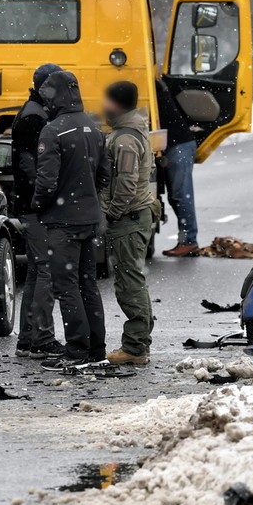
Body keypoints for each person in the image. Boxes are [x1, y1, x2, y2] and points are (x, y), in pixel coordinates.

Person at [31, 70, 110, 370]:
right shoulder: (93, 127)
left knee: (66, 286)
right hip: (90, 219)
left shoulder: (53, 131)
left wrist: (38, 205)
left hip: (63, 222)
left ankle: (76, 351)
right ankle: (96, 348)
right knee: (88, 284)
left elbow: (47, 181)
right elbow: (104, 175)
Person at [10, 63, 66, 359]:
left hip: (30, 205)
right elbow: (29, 164)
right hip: (37, 208)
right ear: (46, 88)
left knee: (36, 271)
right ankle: (41, 339)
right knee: (46, 271)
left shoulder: (32, 112)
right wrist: (44, 197)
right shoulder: (36, 117)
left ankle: (28, 340)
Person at [99, 82, 155, 366]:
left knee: (129, 283)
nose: (102, 106)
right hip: (133, 216)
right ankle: (139, 340)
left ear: (116, 104)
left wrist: (111, 212)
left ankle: (134, 347)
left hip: (129, 218)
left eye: (106, 101)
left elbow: (126, 183)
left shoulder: (125, 139)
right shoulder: (127, 132)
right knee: (131, 280)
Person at [156, 78, 200, 256]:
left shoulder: (153, 86)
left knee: (181, 195)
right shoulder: (157, 83)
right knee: (177, 197)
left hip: (178, 145)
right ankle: (187, 240)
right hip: (177, 143)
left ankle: (189, 240)